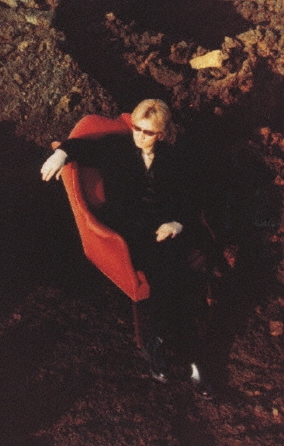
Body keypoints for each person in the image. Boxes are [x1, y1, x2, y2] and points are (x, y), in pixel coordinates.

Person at [41, 99, 213, 399]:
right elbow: (80, 147)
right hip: (128, 229)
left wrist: (176, 223)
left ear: (161, 134)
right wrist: (60, 154)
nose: (139, 136)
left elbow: (190, 198)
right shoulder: (116, 148)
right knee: (170, 273)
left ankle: (162, 342)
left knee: (172, 272)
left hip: (163, 226)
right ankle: (191, 356)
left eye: (148, 132)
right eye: (136, 128)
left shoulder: (173, 158)